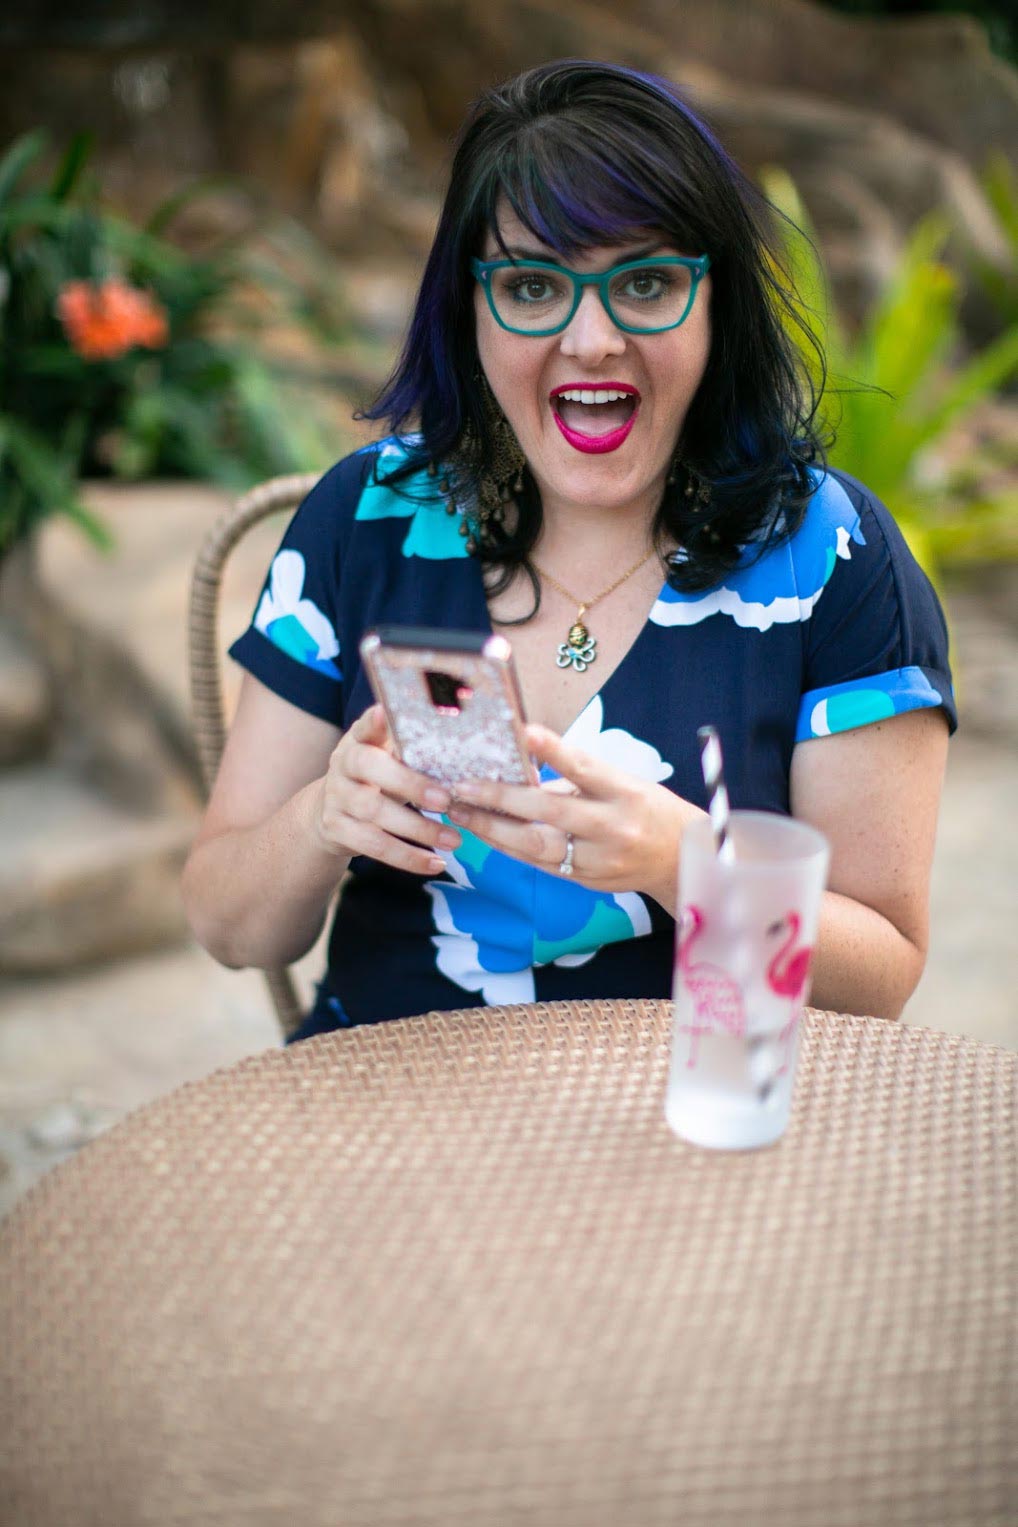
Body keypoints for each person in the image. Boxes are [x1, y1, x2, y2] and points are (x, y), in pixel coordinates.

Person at [181, 59, 954, 1040]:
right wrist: (320, 820)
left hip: (698, 1126)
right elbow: (226, 921)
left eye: (646, 280)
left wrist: (690, 864)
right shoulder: (366, 521)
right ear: (468, 311)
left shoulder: (828, 557)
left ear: (718, 304)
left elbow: (879, 976)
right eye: (533, 285)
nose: (591, 339)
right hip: (382, 1120)